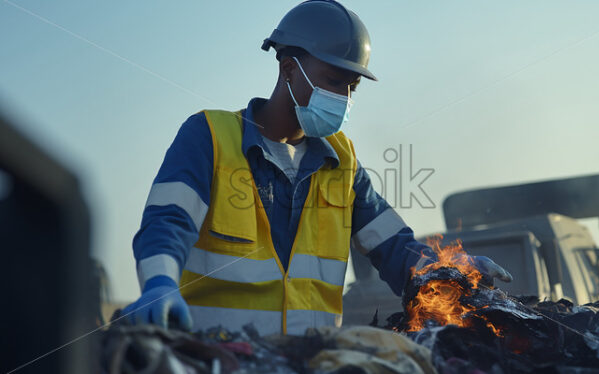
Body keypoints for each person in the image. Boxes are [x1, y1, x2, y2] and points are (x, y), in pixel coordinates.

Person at [122, 0, 511, 336]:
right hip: (215, 358)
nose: (342, 97)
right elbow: (167, 223)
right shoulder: (207, 135)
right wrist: (159, 283)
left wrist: (451, 270)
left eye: (351, 87)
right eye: (333, 81)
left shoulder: (343, 161)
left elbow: (394, 247)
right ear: (289, 69)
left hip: (310, 361)